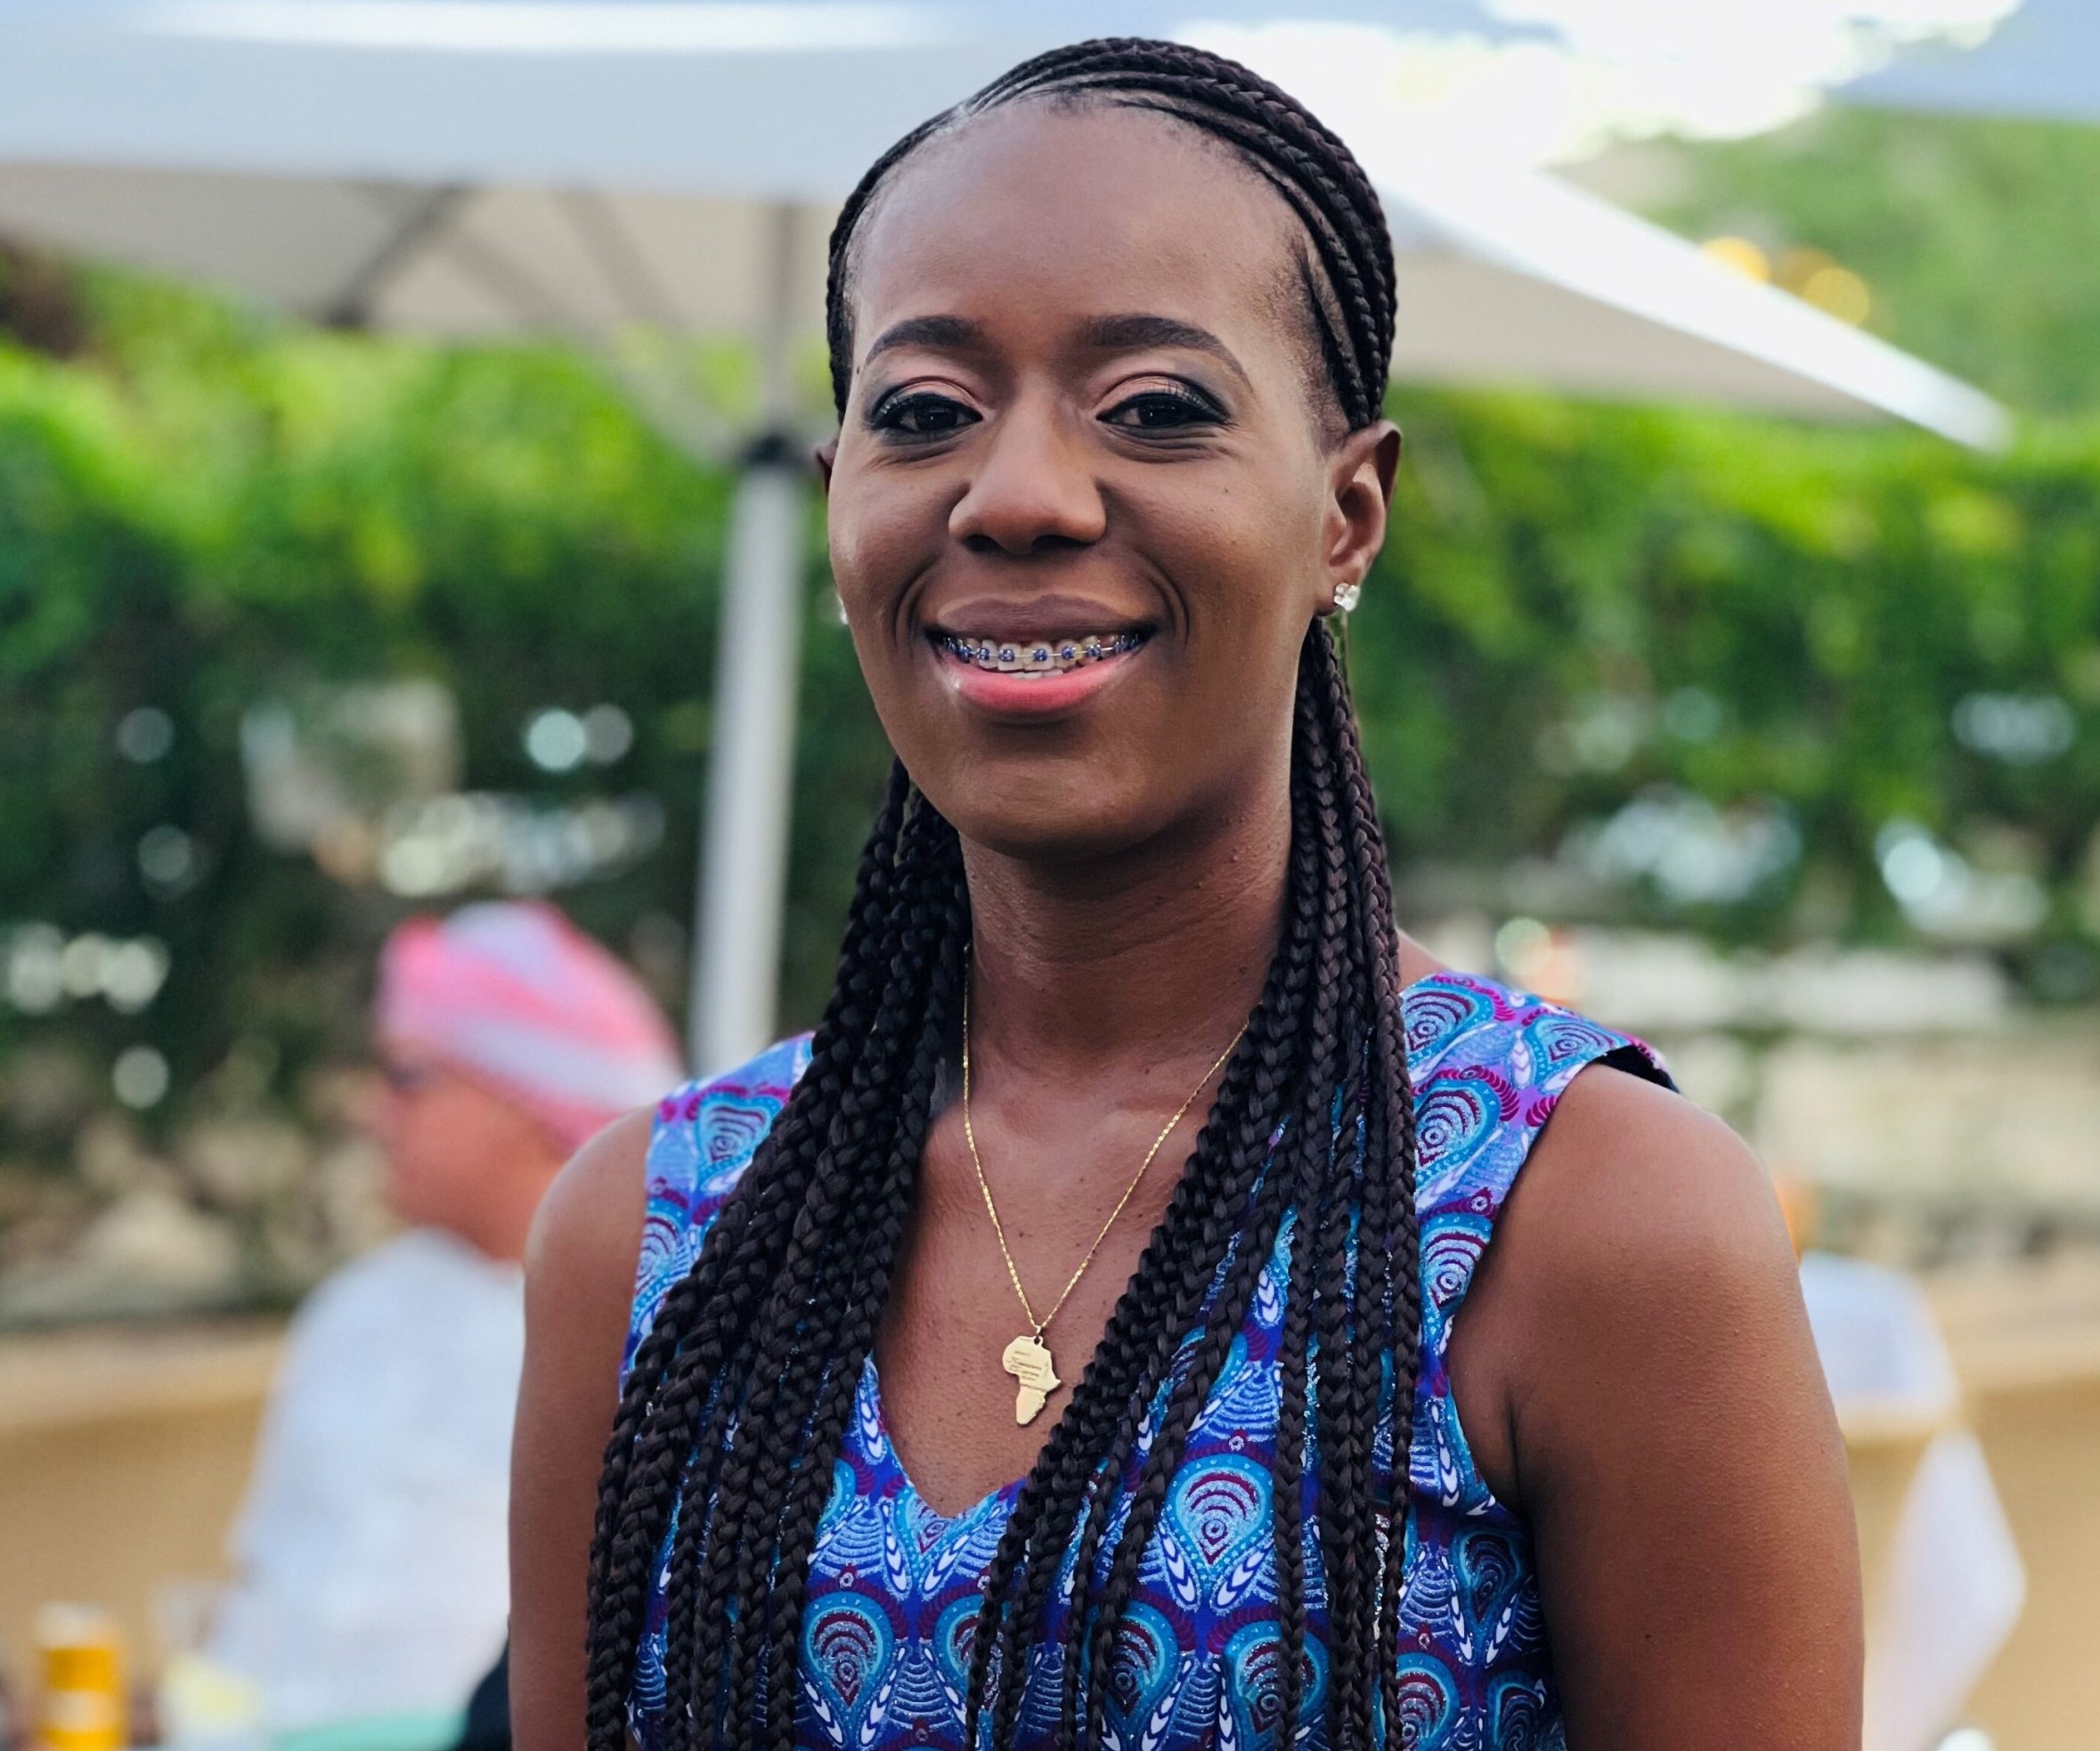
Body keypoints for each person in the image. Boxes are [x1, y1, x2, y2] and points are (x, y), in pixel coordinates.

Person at [512, 39, 1860, 1751]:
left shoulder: (1589, 1220)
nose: (1018, 494)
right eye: (922, 413)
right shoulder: (656, 1236)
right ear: (843, 494)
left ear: (1347, 515)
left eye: (1156, 408)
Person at [210, 901, 681, 1731]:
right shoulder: (353, 1309)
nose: (370, 1111)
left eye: (406, 1076)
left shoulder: (658, 1333)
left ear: (533, 1107)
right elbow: (257, 1593)